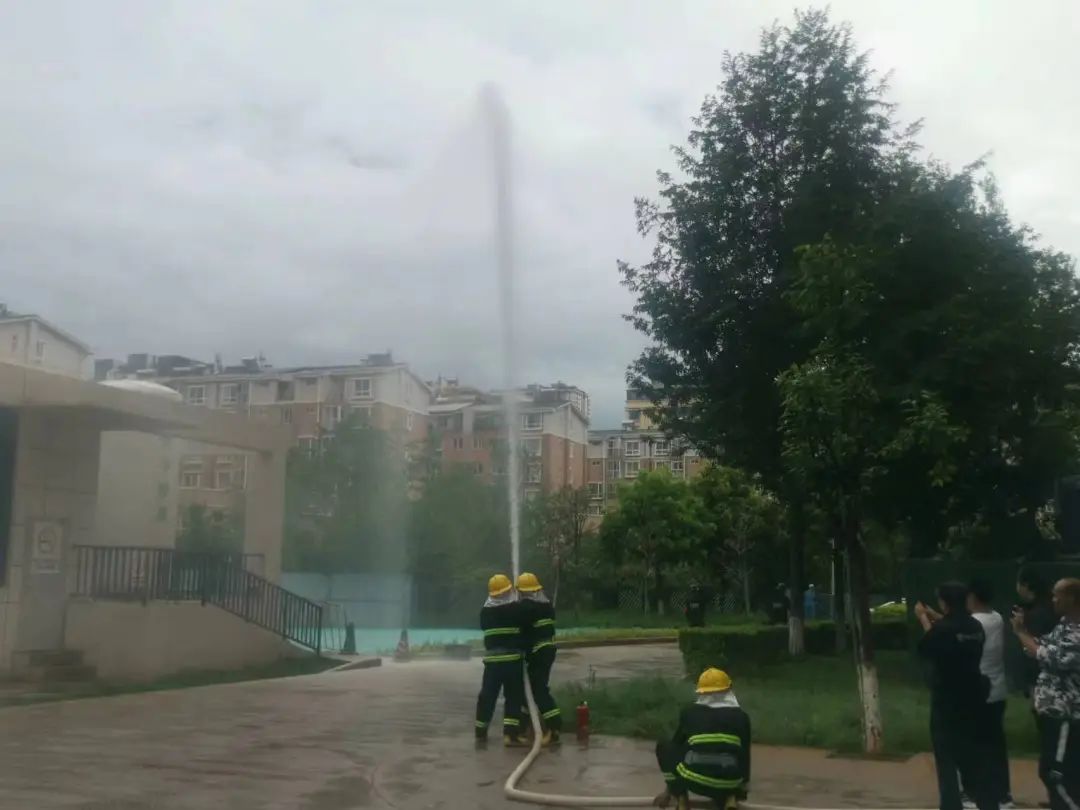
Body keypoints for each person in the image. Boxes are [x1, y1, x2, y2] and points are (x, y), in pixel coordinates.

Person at [915, 582, 998, 810]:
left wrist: (923, 618)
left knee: (946, 759)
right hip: (974, 697)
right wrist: (937, 616)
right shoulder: (975, 626)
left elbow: (928, 647)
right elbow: (953, 631)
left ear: (944, 602)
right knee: (973, 757)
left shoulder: (943, 630)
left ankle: (951, 804)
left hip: (947, 700)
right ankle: (987, 802)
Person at [1012, 578, 1080, 810]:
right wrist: (1026, 637)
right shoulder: (1064, 624)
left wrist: (1021, 633)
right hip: (1053, 712)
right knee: (1057, 772)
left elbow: (1050, 657)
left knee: (1056, 773)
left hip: (1068, 714)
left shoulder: (1077, 632)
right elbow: (1040, 646)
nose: (1053, 600)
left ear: (1071, 598)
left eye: (1056, 595)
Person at [654, 668, 751, 810]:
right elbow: (745, 756)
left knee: (665, 746)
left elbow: (675, 747)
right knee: (729, 754)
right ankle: (730, 798)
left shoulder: (689, 713)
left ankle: (681, 798)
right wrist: (740, 791)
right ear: (728, 690)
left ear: (701, 692)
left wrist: (669, 790)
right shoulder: (742, 717)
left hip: (694, 782)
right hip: (728, 784)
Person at [961, 579, 1012, 809]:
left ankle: (973, 793)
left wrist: (926, 618)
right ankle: (1003, 795)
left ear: (973, 597)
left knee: (974, 746)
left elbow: (952, 634)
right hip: (998, 691)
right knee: (996, 745)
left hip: (977, 692)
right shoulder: (996, 617)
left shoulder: (974, 623)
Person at [475, 573, 527, 747]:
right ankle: (510, 735)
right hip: (512, 661)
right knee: (513, 697)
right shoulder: (515, 609)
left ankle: (480, 731)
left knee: (487, 696)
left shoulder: (485, 612)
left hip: (492, 663)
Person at [516, 571, 561, 745]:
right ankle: (527, 726)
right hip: (547, 650)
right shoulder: (546, 605)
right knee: (529, 690)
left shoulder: (527, 607)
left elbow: (523, 633)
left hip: (539, 652)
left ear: (523, 592)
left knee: (538, 691)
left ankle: (554, 727)